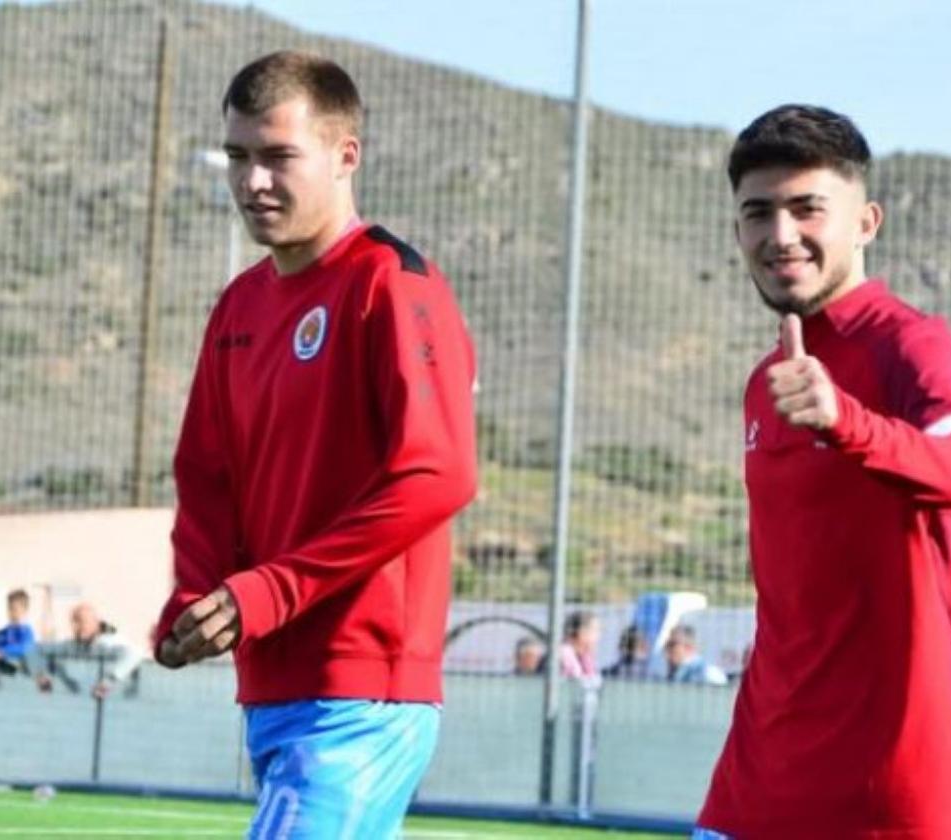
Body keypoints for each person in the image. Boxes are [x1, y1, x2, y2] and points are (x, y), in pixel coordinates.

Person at [151, 51, 477, 840]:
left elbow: (439, 475)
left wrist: (267, 592)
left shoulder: (391, 284)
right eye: (237, 156)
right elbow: (207, 474)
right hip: (272, 684)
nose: (252, 181)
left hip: (363, 691)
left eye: (277, 157)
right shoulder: (240, 303)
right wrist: (195, 594)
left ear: (344, 155)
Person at [694, 105, 951, 839]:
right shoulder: (768, 379)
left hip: (891, 798)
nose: (780, 235)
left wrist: (850, 424)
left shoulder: (910, 344)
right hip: (756, 787)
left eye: (807, 209)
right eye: (758, 213)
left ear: (865, 222)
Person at [30, 602, 141, 699]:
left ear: (96, 623)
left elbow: (136, 653)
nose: (77, 627)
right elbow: (35, 649)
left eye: (82, 621)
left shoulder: (108, 643)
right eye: (74, 622)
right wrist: (41, 675)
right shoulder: (72, 645)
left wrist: (108, 682)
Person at [663, 624, 727, 686]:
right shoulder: (671, 673)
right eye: (667, 644)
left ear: (688, 647)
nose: (667, 648)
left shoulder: (709, 674)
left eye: (672, 644)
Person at [558, 611, 600, 680]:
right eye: (595, 631)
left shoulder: (585, 657)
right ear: (581, 633)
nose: (598, 637)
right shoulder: (563, 656)